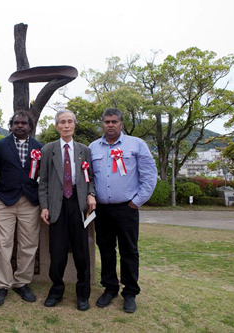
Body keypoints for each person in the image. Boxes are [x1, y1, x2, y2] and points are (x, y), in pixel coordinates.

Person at [89, 108, 157, 313]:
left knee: (129, 251)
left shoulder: (136, 145)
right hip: (102, 210)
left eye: (114, 122)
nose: (110, 125)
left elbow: (149, 176)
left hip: (127, 208)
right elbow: (89, 177)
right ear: (102, 124)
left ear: (122, 124)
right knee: (107, 250)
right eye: (106, 121)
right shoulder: (93, 147)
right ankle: (110, 288)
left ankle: (130, 292)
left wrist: (137, 202)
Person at [38, 109, 96, 311]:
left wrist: (91, 194)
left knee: (82, 253)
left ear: (74, 125)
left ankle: (83, 294)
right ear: (56, 126)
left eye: (70, 121)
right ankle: (56, 290)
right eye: (62, 122)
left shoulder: (84, 150)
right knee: (57, 253)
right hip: (57, 204)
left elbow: (91, 178)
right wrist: (44, 206)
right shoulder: (48, 150)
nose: (66, 125)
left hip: (79, 205)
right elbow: (43, 181)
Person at [0, 111, 43, 306]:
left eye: (24, 123)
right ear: (10, 126)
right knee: (3, 244)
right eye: (16, 123)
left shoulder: (39, 147)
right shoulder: (0, 145)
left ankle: (21, 283)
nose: (20, 126)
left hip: (30, 202)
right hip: (4, 201)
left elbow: (42, 177)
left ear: (30, 127)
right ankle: (2, 284)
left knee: (28, 244)